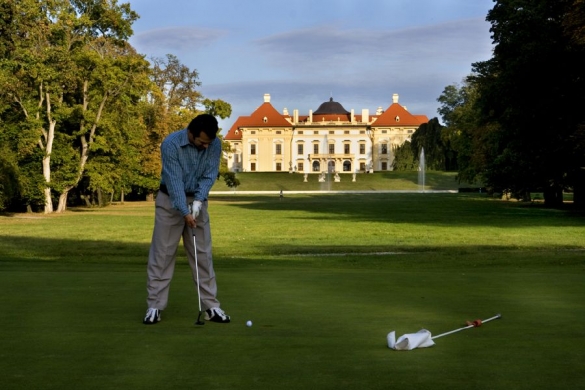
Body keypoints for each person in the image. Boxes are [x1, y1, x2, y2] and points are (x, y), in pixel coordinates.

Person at [143, 114, 230, 325]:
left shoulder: (214, 144)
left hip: (197, 200)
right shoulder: (171, 144)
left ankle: (211, 307)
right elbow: (173, 181)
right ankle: (154, 306)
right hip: (169, 200)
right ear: (191, 133)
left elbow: (210, 174)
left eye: (209, 143)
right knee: (162, 254)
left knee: (203, 255)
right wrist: (185, 211)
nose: (206, 147)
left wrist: (199, 201)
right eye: (202, 142)